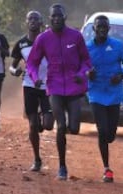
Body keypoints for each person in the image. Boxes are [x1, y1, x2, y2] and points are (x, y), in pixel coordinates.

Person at [27, 3, 92, 180]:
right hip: (54, 86)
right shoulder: (43, 38)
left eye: (59, 16)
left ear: (65, 17)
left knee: (74, 128)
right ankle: (62, 167)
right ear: (49, 19)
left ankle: (65, 134)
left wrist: (80, 73)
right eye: (53, 16)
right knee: (61, 126)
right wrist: (35, 77)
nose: (56, 18)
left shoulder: (76, 36)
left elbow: (87, 60)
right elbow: (32, 62)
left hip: (74, 87)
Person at [85, 15, 123, 182]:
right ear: (94, 29)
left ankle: (108, 137)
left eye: (105, 26)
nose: (102, 29)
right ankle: (106, 168)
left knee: (110, 134)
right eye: (99, 27)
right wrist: (87, 73)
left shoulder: (118, 46)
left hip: (113, 94)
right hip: (96, 93)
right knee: (102, 130)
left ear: (109, 28)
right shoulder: (87, 48)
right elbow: (80, 66)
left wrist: (121, 75)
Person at [10, 10, 54, 172]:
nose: (33, 21)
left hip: (48, 86)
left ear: (41, 22)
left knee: (48, 125)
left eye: (36, 19)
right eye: (30, 19)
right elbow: (12, 65)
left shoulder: (48, 41)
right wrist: (14, 71)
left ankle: (44, 117)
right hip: (29, 85)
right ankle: (37, 159)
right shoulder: (21, 44)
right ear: (26, 22)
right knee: (33, 125)